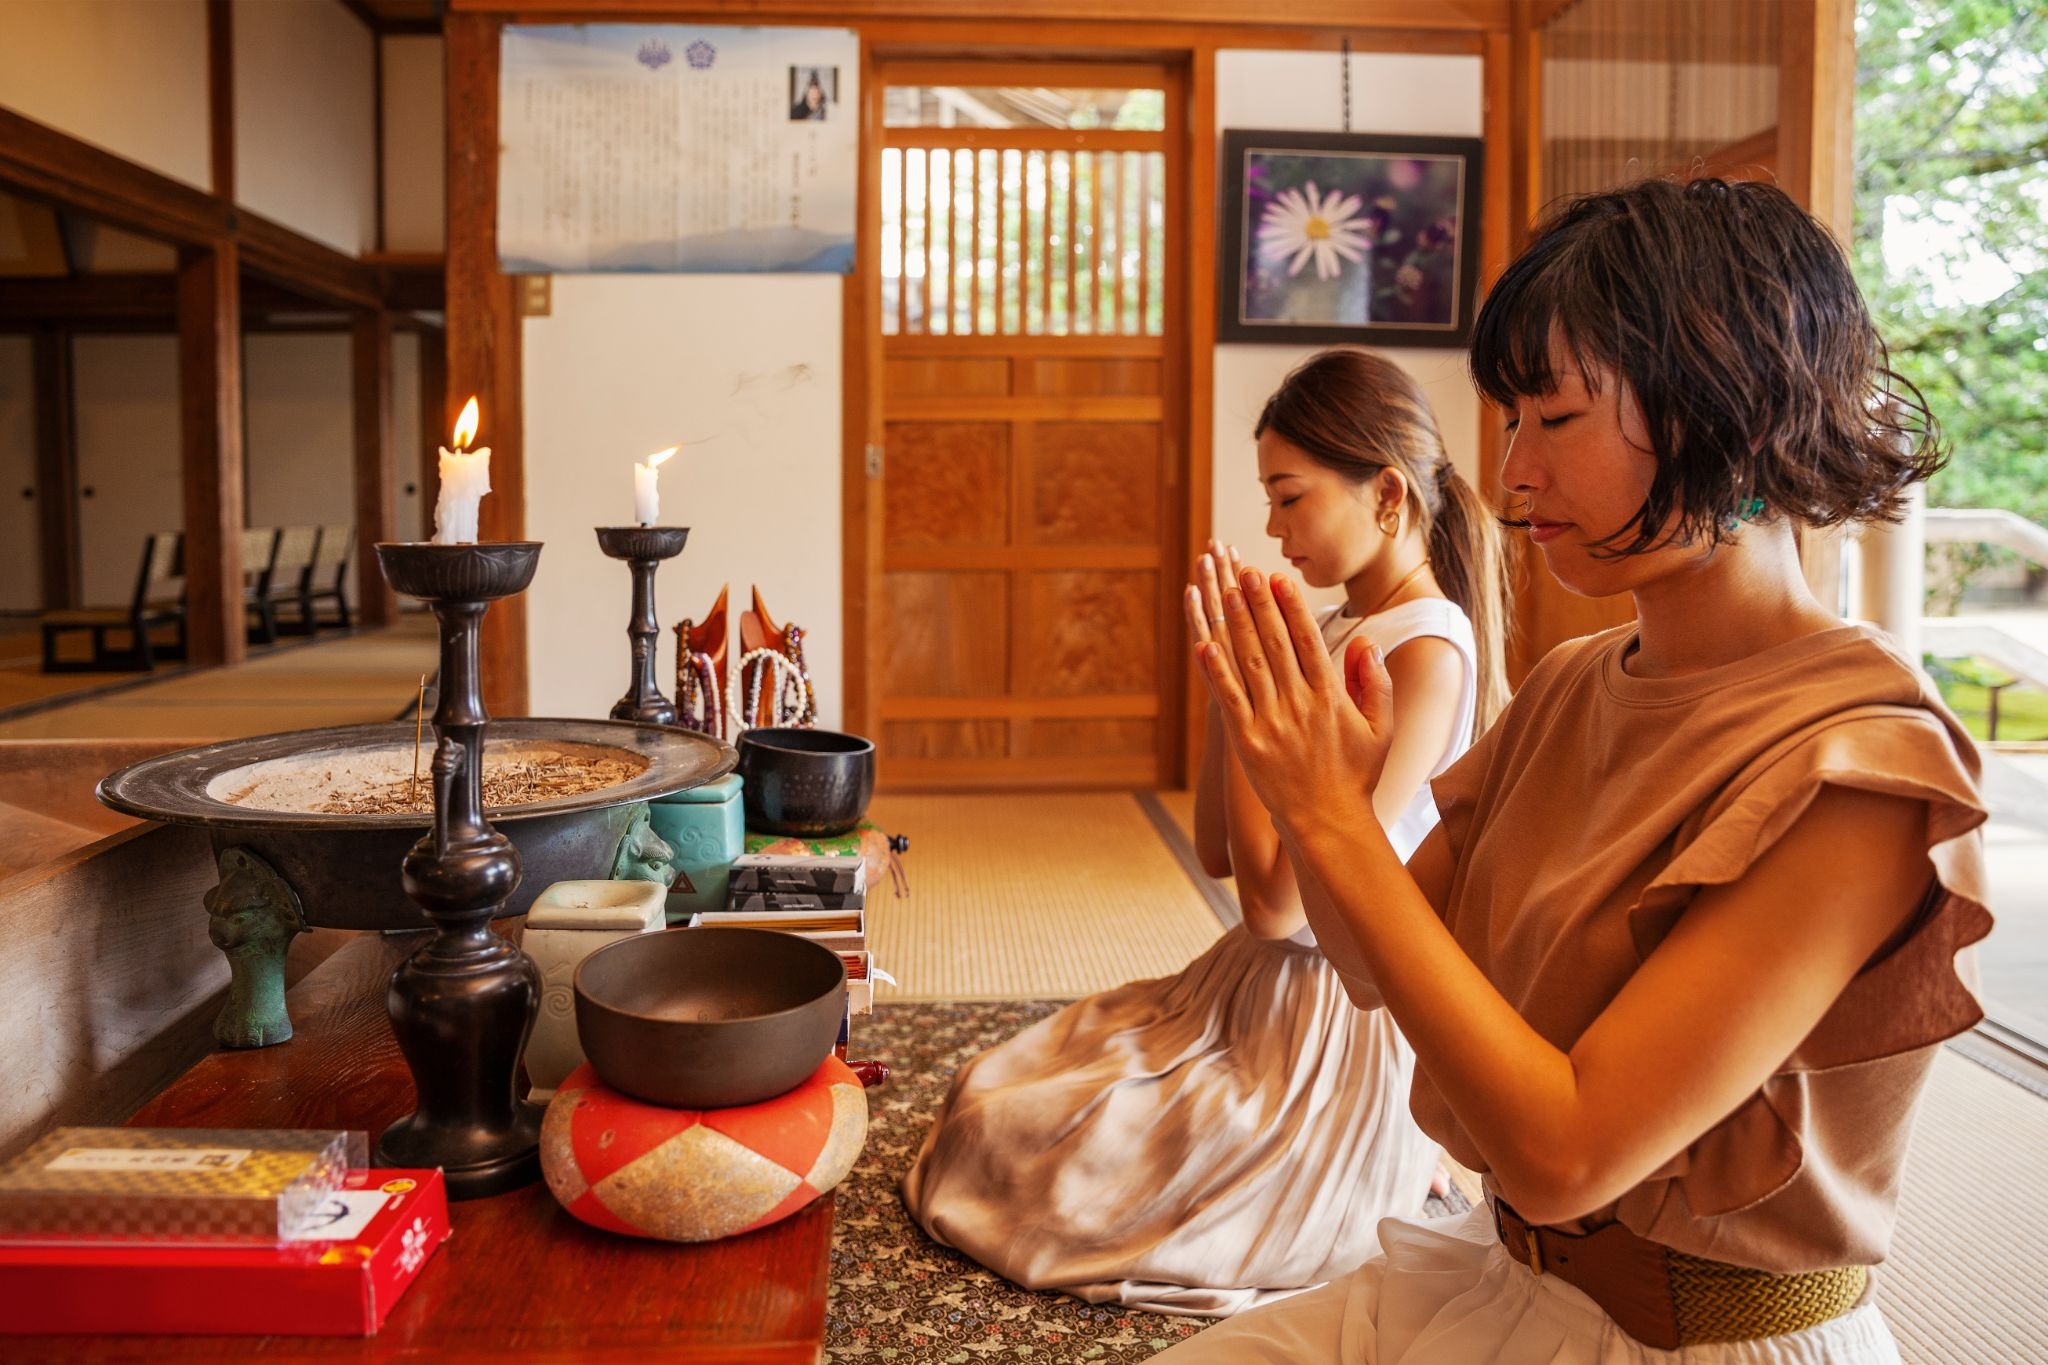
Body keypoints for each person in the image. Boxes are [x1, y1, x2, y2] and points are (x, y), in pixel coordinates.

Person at [1161, 176, 1991, 1363]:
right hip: (1503, 1282)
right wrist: (1326, 803)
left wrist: (1328, 823)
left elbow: (1562, 1157)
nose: (1508, 480)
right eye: (1509, 424)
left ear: (1725, 417)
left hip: (1695, 1342)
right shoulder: (1571, 683)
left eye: (1551, 422)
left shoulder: (1856, 760)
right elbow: (1362, 966)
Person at [901, 348, 1509, 1317]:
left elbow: (1281, 909)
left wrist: (1247, 685)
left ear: (1385, 494)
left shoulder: (1424, 650)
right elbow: (1221, 855)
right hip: (1243, 995)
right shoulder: (1333, 625)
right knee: (994, 1099)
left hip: (1324, 1024)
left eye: (1288, 497)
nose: (1271, 529)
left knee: (1049, 1167)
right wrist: (1230, 700)